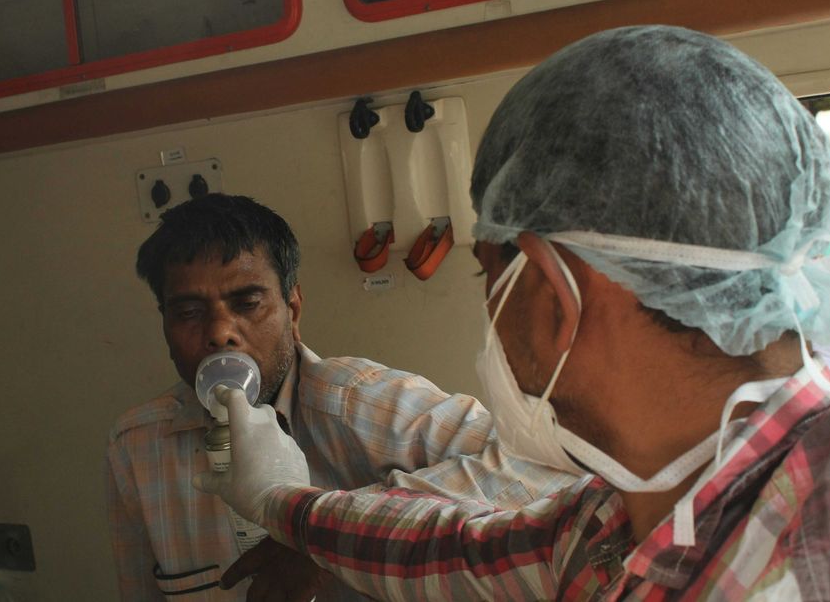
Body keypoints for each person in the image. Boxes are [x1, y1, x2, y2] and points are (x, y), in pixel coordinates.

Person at [196, 25, 830, 599]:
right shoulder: (648, 496)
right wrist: (281, 501)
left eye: (485, 274)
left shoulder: (820, 567)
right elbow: (463, 554)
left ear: (553, 293)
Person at [106, 193, 575, 600]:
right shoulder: (138, 448)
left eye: (247, 303)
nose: (220, 333)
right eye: (188, 311)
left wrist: (326, 540)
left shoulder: (365, 402)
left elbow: (545, 471)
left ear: (292, 309)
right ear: (165, 323)